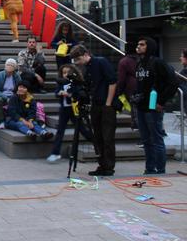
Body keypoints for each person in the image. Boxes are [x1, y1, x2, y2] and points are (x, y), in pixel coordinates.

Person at [69, 45, 117, 176]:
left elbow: (113, 82)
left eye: (79, 59)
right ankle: (102, 164)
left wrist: (108, 103)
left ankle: (108, 166)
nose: (78, 62)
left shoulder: (100, 62)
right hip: (95, 103)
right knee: (98, 136)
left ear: (86, 54)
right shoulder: (87, 68)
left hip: (106, 104)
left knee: (107, 137)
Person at [135, 37, 179, 175]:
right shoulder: (140, 63)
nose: (139, 46)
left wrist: (161, 101)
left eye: (142, 44)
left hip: (154, 107)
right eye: (138, 44)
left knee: (156, 139)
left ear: (150, 46)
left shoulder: (158, 62)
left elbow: (173, 82)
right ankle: (149, 169)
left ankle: (160, 170)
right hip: (141, 107)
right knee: (146, 141)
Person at [46, 64, 94, 163]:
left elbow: (79, 94)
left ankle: (96, 144)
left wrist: (69, 94)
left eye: (68, 72)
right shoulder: (61, 82)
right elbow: (56, 92)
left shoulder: (76, 83)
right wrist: (59, 93)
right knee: (60, 131)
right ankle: (55, 153)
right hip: (64, 109)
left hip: (74, 109)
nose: (65, 75)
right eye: (63, 73)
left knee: (82, 129)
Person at [0, 58, 22, 128]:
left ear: (14, 68)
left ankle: (13, 119)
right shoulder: (0, 75)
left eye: (11, 65)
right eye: (8, 64)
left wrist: (14, 96)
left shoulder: (16, 76)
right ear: (5, 66)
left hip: (13, 95)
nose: (9, 66)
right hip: (1, 95)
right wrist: (6, 98)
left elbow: (20, 87)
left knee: (17, 99)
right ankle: (1, 121)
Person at [116, 42, 138, 129]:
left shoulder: (124, 61)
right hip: (144, 88)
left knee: (135, 111)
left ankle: (138, 131)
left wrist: (119, 92)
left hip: (131, 88)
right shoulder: (142, 59)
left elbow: (121, 79)